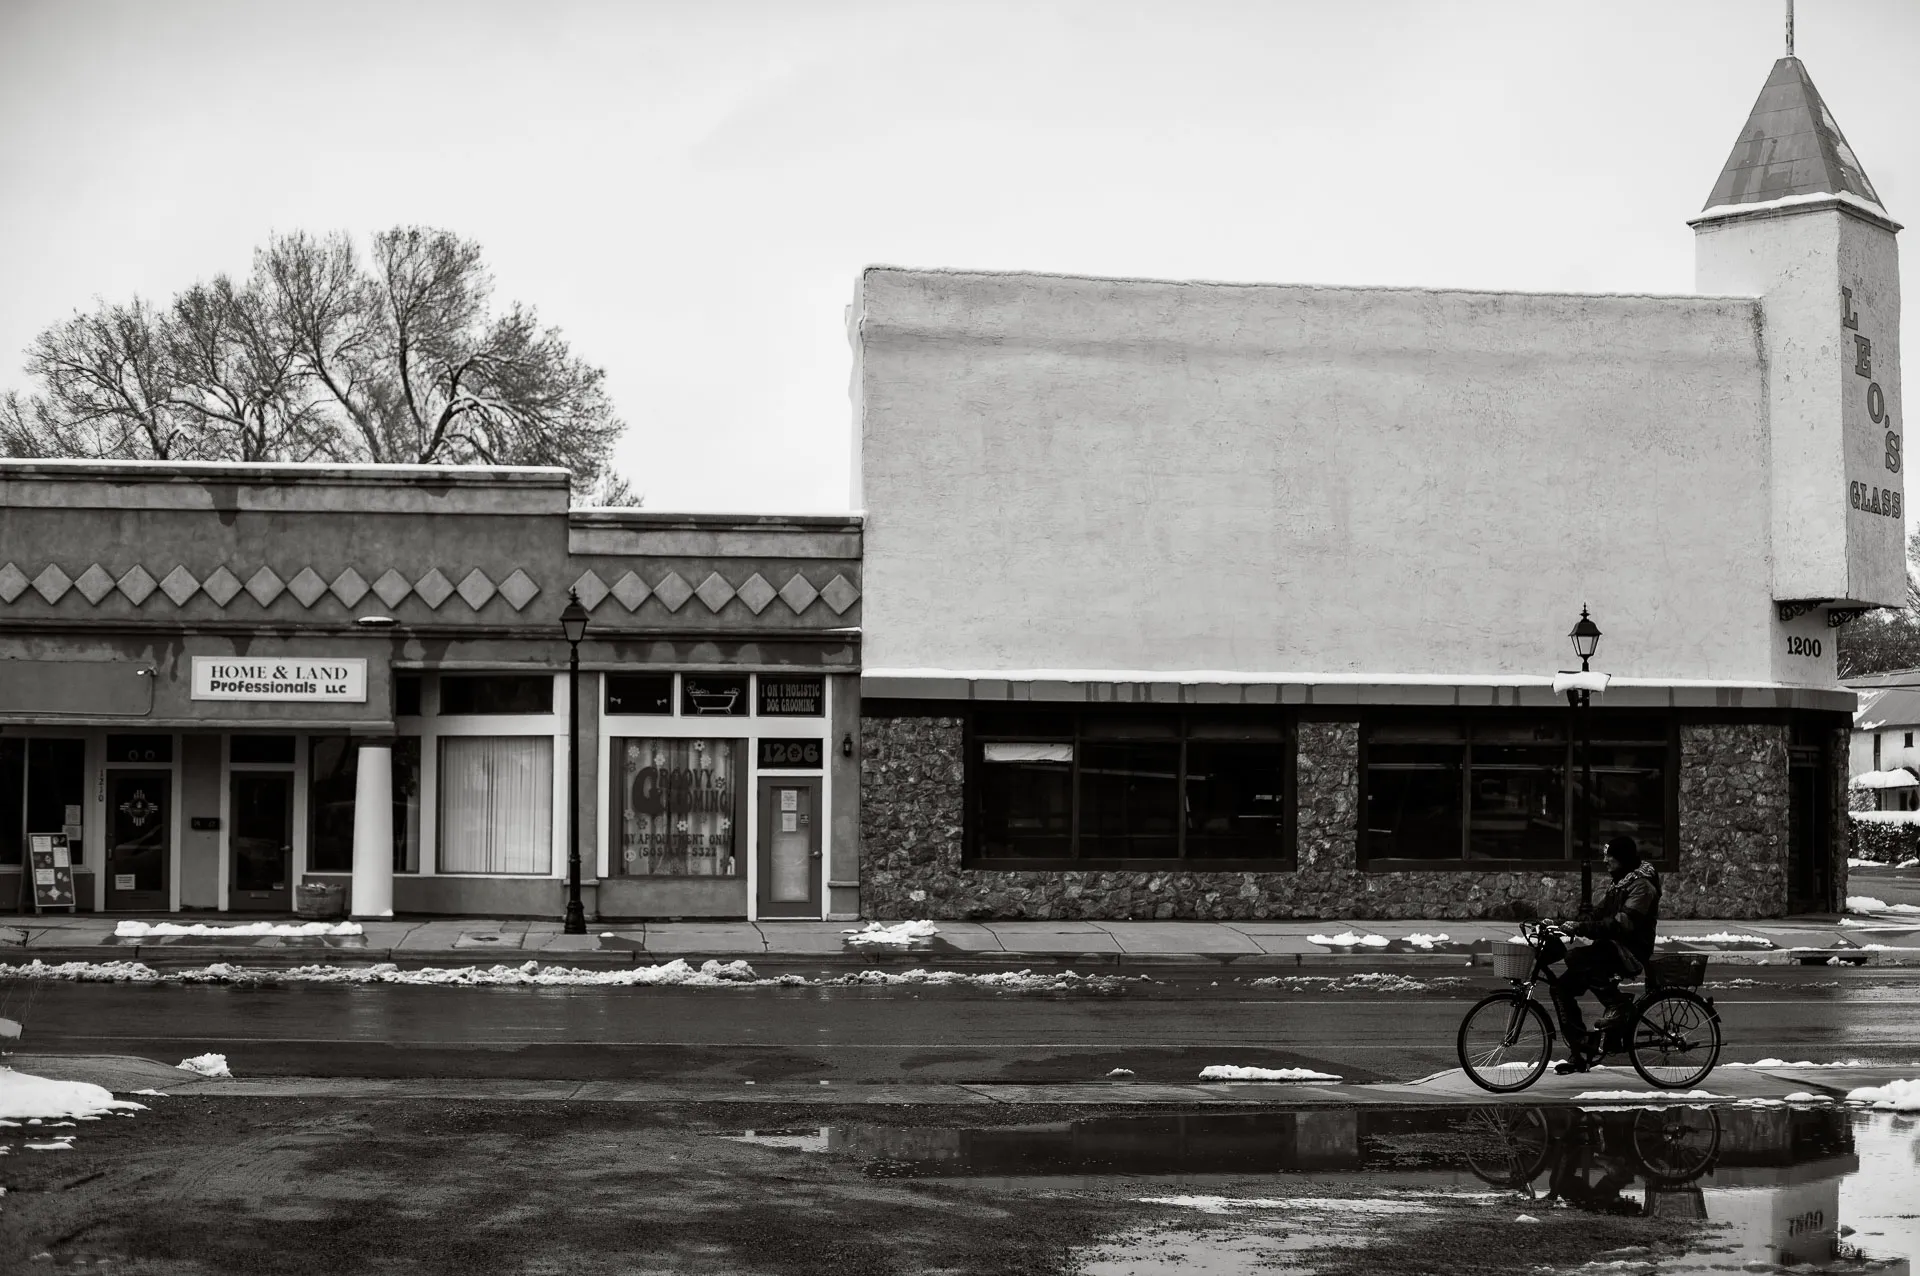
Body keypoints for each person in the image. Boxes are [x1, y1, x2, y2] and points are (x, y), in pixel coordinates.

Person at [1552, 835, 1662, 1074]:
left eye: (1609, 856)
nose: (1605, 861)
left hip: (1630, 950)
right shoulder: (1621, 882)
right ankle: (1581, 1050)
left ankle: (1617, 1004)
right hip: (1612, 946)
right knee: (1561, 988)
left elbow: (1622, 924)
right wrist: (1566, 923)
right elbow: (1599, 913)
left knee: (1577, 958)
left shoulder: (1641, 886)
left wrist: (1583, 928)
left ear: (1621, 858)